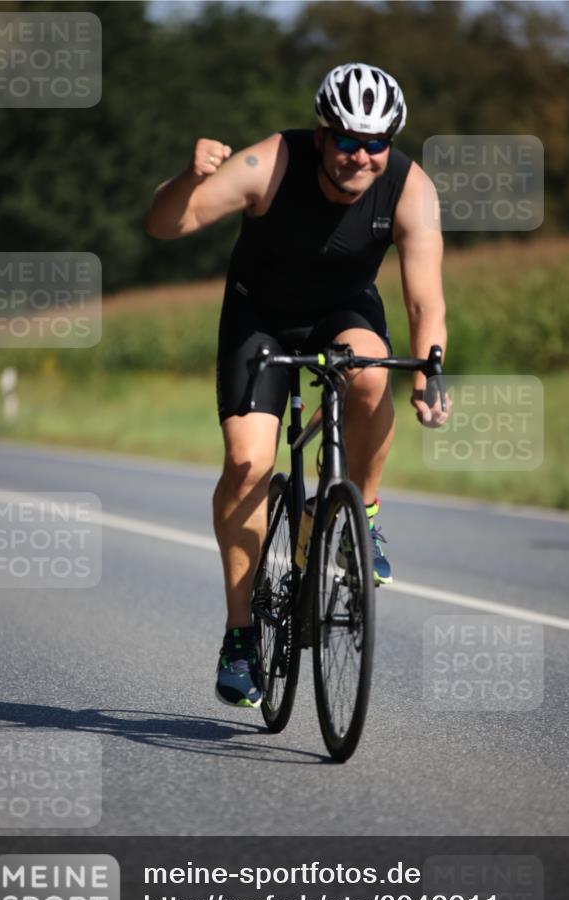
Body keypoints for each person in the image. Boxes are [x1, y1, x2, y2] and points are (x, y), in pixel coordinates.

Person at [146, 62, 448, 709]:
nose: (359, 156)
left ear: (390, 142)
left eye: (375, 143)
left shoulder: (408, 187)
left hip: (344, 311)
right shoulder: (269, 164)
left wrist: (430, 369)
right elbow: (166, 225)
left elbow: (425, 302)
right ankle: (239, 635)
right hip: (260, 317)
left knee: (368, 376)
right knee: (247, 462)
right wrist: (187, 178)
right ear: (321, 134)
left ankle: (359, 518)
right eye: (345, 139)